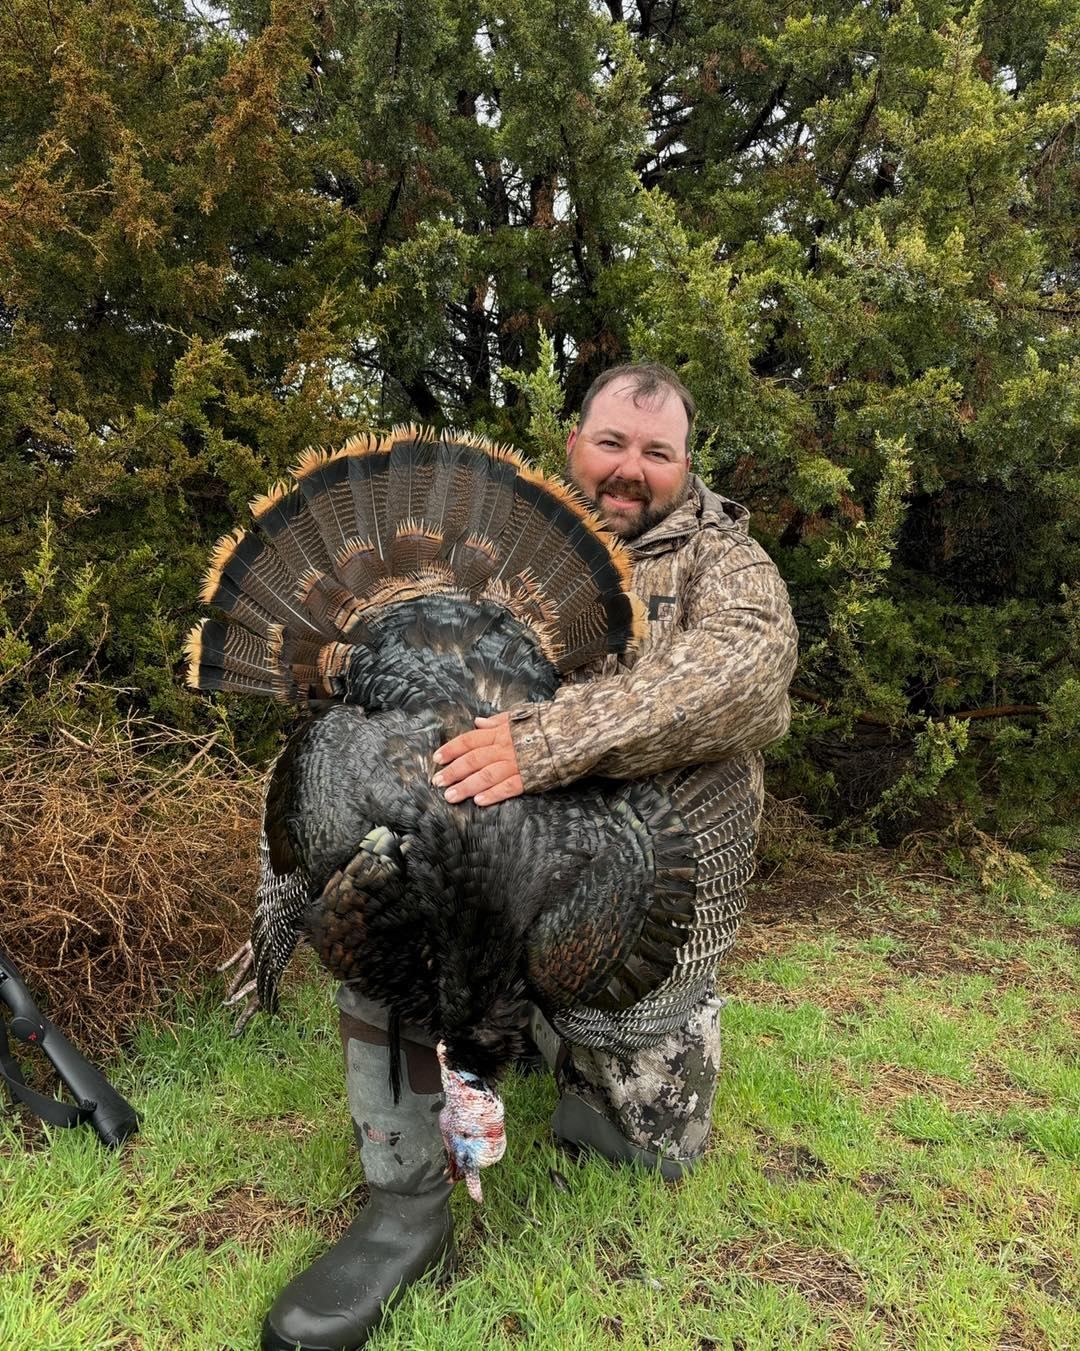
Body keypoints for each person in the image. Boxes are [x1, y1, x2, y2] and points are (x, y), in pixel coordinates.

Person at [261, 363, 799, 1351]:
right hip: (483, 867)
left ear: (687, 464)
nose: (630, 469)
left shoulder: (728, 565)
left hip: (637, 891)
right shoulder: (486, 550)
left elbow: (748, 679)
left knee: (648, 1153)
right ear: (573, 445)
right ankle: (404, 1201)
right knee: (389, 894)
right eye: (612, 443)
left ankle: (580, 1048)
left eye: (657, 451)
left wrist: (545, 743)